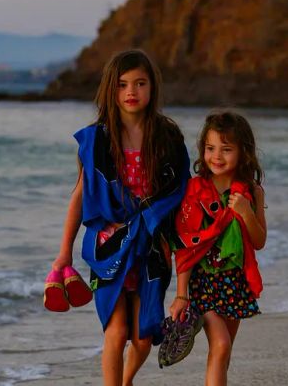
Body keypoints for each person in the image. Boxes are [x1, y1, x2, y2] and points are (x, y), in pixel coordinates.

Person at [51, 49, 189, 386]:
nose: (131, 91)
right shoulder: (96, 140)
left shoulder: (168, 137)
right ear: (110, 89)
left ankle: (125, 381)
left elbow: (182, 197)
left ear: (152, 87)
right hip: (108, 247)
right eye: (123, 84)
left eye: (140, 83)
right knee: (116, 331)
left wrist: (183, 260)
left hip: (153, 248)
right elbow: (81, 195)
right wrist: (63, 251)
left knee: (143, 335)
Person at [169, 111, 266, 386]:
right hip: (204, 282)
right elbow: (186, 246)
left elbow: (259, 241)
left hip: (235, 282)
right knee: (220, 345)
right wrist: (181, 295)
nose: (217, 156)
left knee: (222, 352)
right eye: (210, 148)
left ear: (243, 152)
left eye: (226, 149)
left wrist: (246, 211)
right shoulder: (195, 189)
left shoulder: (252, 191)